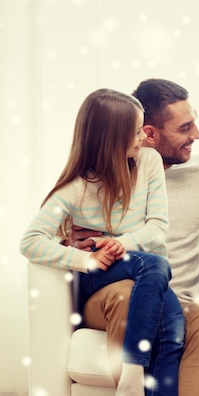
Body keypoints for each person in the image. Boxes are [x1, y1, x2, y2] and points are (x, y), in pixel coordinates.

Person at [20, 88, 184, 396]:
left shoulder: (148, 162)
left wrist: (121, 242)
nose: (144, 138)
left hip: (140, 268)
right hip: (103, 272)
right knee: (156, 264)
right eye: (136, 131)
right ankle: (132, 370)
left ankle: (141, 386)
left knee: (172, 330)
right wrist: (86, 259)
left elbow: (159, 227)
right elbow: (30, 241)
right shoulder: (76, 188)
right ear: (111, 138)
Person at [70, 79, 199, 395]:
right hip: (113, 295)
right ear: (149, 133)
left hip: (176, 298)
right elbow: (59, 219)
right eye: (185, 128)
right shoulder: (103, 173)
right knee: (129, 295)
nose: (196, 135)